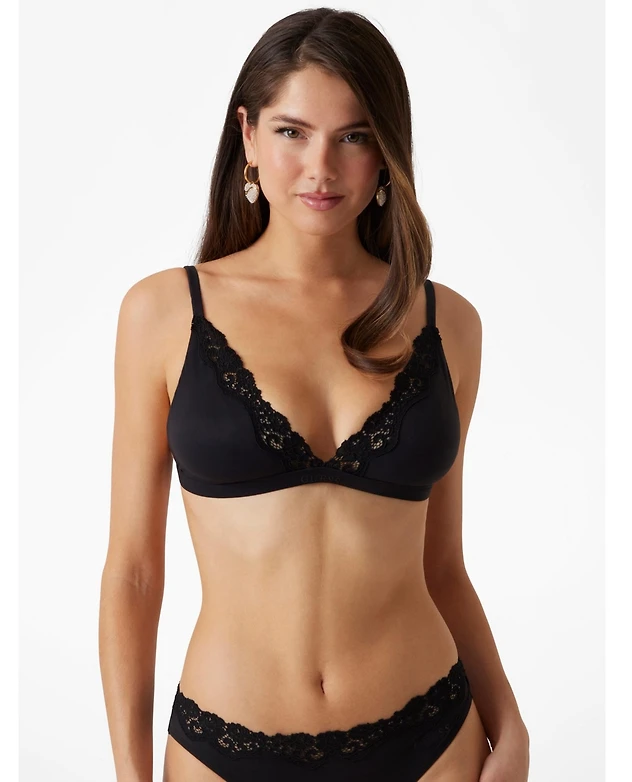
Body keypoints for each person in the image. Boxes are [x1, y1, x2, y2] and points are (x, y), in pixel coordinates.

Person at [99, 7, 530, 782]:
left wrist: (511, 727)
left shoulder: (448, 325)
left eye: (353, 136)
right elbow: (133, 571)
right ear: (248, 137)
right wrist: (130, 776)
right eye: (293, 132)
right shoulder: (164, 313)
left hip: (433, 741)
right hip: (224, 748)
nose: (321, 168)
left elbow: (443, 568)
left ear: (386, 152)